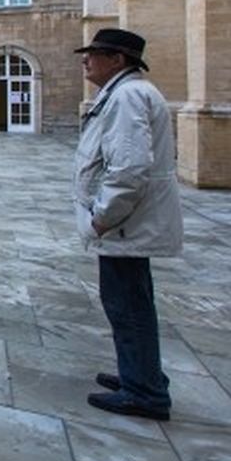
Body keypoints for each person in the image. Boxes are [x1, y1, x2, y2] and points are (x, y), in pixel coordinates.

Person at [73, 28, 182, 422]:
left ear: (118, 60)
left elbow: (130, 168)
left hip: (125, 225)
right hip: (127, 224)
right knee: (129, 302)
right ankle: (139, 375)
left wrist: (103, 218)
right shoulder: (125, 93)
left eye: (94, 54)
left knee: (128, 305)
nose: (86, 60)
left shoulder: (128, 96)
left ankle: (145, 391)